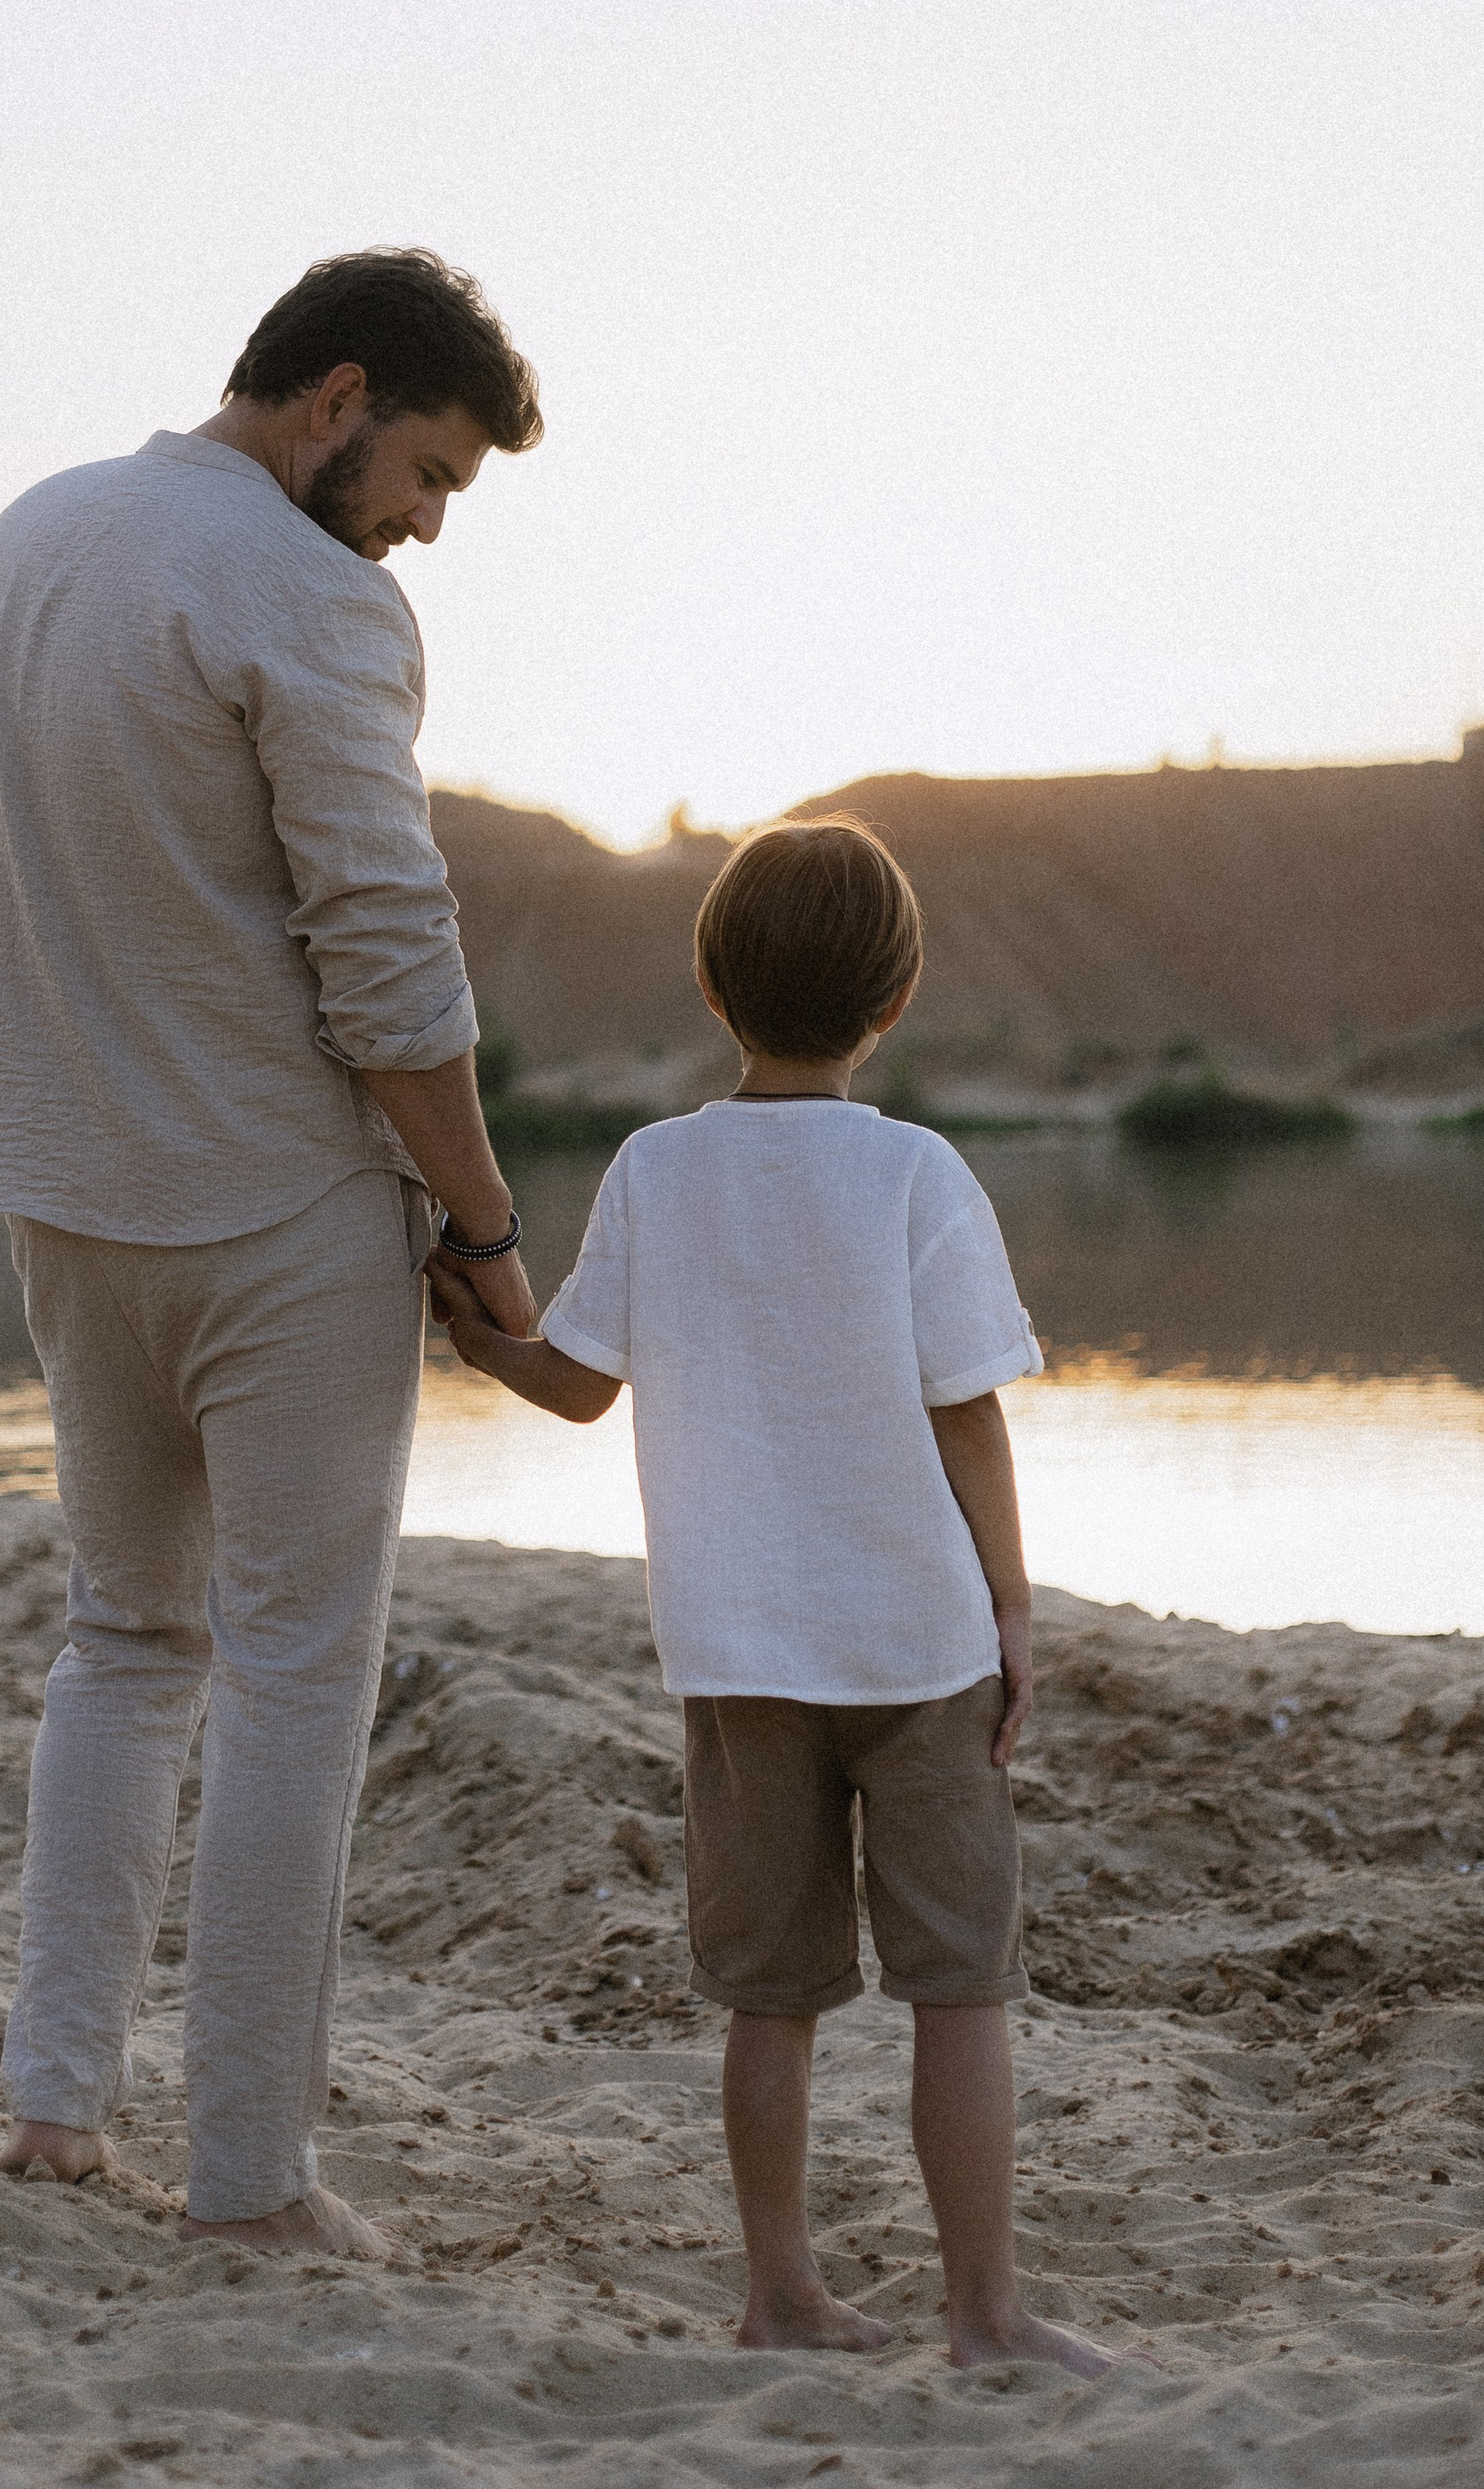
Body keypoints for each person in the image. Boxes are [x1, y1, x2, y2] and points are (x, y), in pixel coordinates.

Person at [0, 248, 541, 2258]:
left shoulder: (12, 547)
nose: (425, 525)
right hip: (272, 1211)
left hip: (59, 1187)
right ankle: (250, 2181)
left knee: (122, 1639)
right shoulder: (306, 591)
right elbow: (386, 953)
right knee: (294, 1678)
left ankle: (49, 2108)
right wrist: (479, 1221)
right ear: (334, 394)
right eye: (429, 472)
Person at [427, 817, 1124, 2373]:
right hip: (918, 1644)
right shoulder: (913, 1172)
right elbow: (969, 1409)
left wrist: (480, 1341)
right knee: (961, 1990)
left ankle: (781, 2294)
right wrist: (1012, 1609)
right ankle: (986, 2315)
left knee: (772, 1995)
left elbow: (580, 1387)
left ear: (711, 985)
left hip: (739, 1658)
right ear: (897, 998)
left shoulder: (657, 1168)